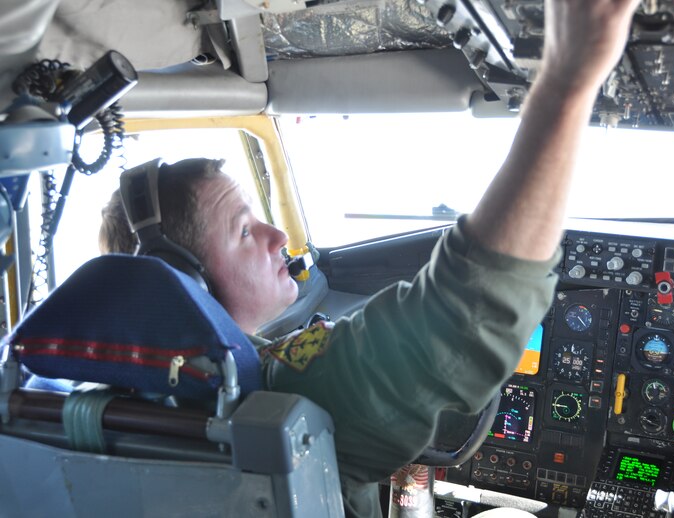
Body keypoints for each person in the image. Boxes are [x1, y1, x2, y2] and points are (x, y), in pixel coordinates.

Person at [99, 1, 640, 515]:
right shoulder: (274, 396)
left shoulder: (93, 401)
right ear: (181, 279)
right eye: (243, 231)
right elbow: (473, 308)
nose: (278, 234)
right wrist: (569, 81)